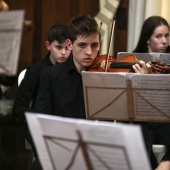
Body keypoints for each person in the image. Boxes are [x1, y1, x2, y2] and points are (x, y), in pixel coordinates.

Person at [33, 14, 151, 169]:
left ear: (100, 44)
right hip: (65, 150)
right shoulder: (51, 76)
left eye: (94, 45)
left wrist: (142, 83)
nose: (89, 52)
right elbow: (42, 119)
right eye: (82, 45)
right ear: (69, 45)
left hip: (102, 151)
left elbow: (134, 120)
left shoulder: (112, 75)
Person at [12, 24, 71, 170]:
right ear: (48, 45)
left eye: (67, 48)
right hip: (41, 127)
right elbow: (18, 109)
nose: (63, 53)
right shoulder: (35, 71)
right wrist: (42, 116)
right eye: (58, 47)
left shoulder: (73, 71)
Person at [133, 16, 170, 170]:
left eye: (167, 35)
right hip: (141, 120)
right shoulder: (134, 60)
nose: (164, 41)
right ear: (147, 39)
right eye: (158, 36)